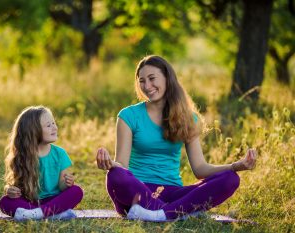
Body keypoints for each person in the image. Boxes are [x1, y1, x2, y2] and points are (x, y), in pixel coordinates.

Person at [96, 55, 256, 222]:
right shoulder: (128, 115)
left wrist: (235, 166)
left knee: (230, 178)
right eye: (142, 81)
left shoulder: (188, 118)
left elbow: (200, 169)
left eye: (152, 79)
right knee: (115, 175)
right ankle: (177, 212)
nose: (147, 86)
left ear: (167, 78)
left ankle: (159, 214)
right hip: (137, 190)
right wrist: (110, 164)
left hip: (172, 193)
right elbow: (122, 165)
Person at [0, 106, 83, 221]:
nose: (54, 127)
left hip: (54, 200)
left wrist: (67, 183)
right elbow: (15, 185)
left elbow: (61, 186)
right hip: (30, 201)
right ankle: (54, 214)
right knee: (5, 201)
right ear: (33, 132)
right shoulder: (22, 156)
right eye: (49, 125)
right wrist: (9, 190)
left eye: (54, 123)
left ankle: (36, 214)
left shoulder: (60, 154)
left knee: (76, 191)